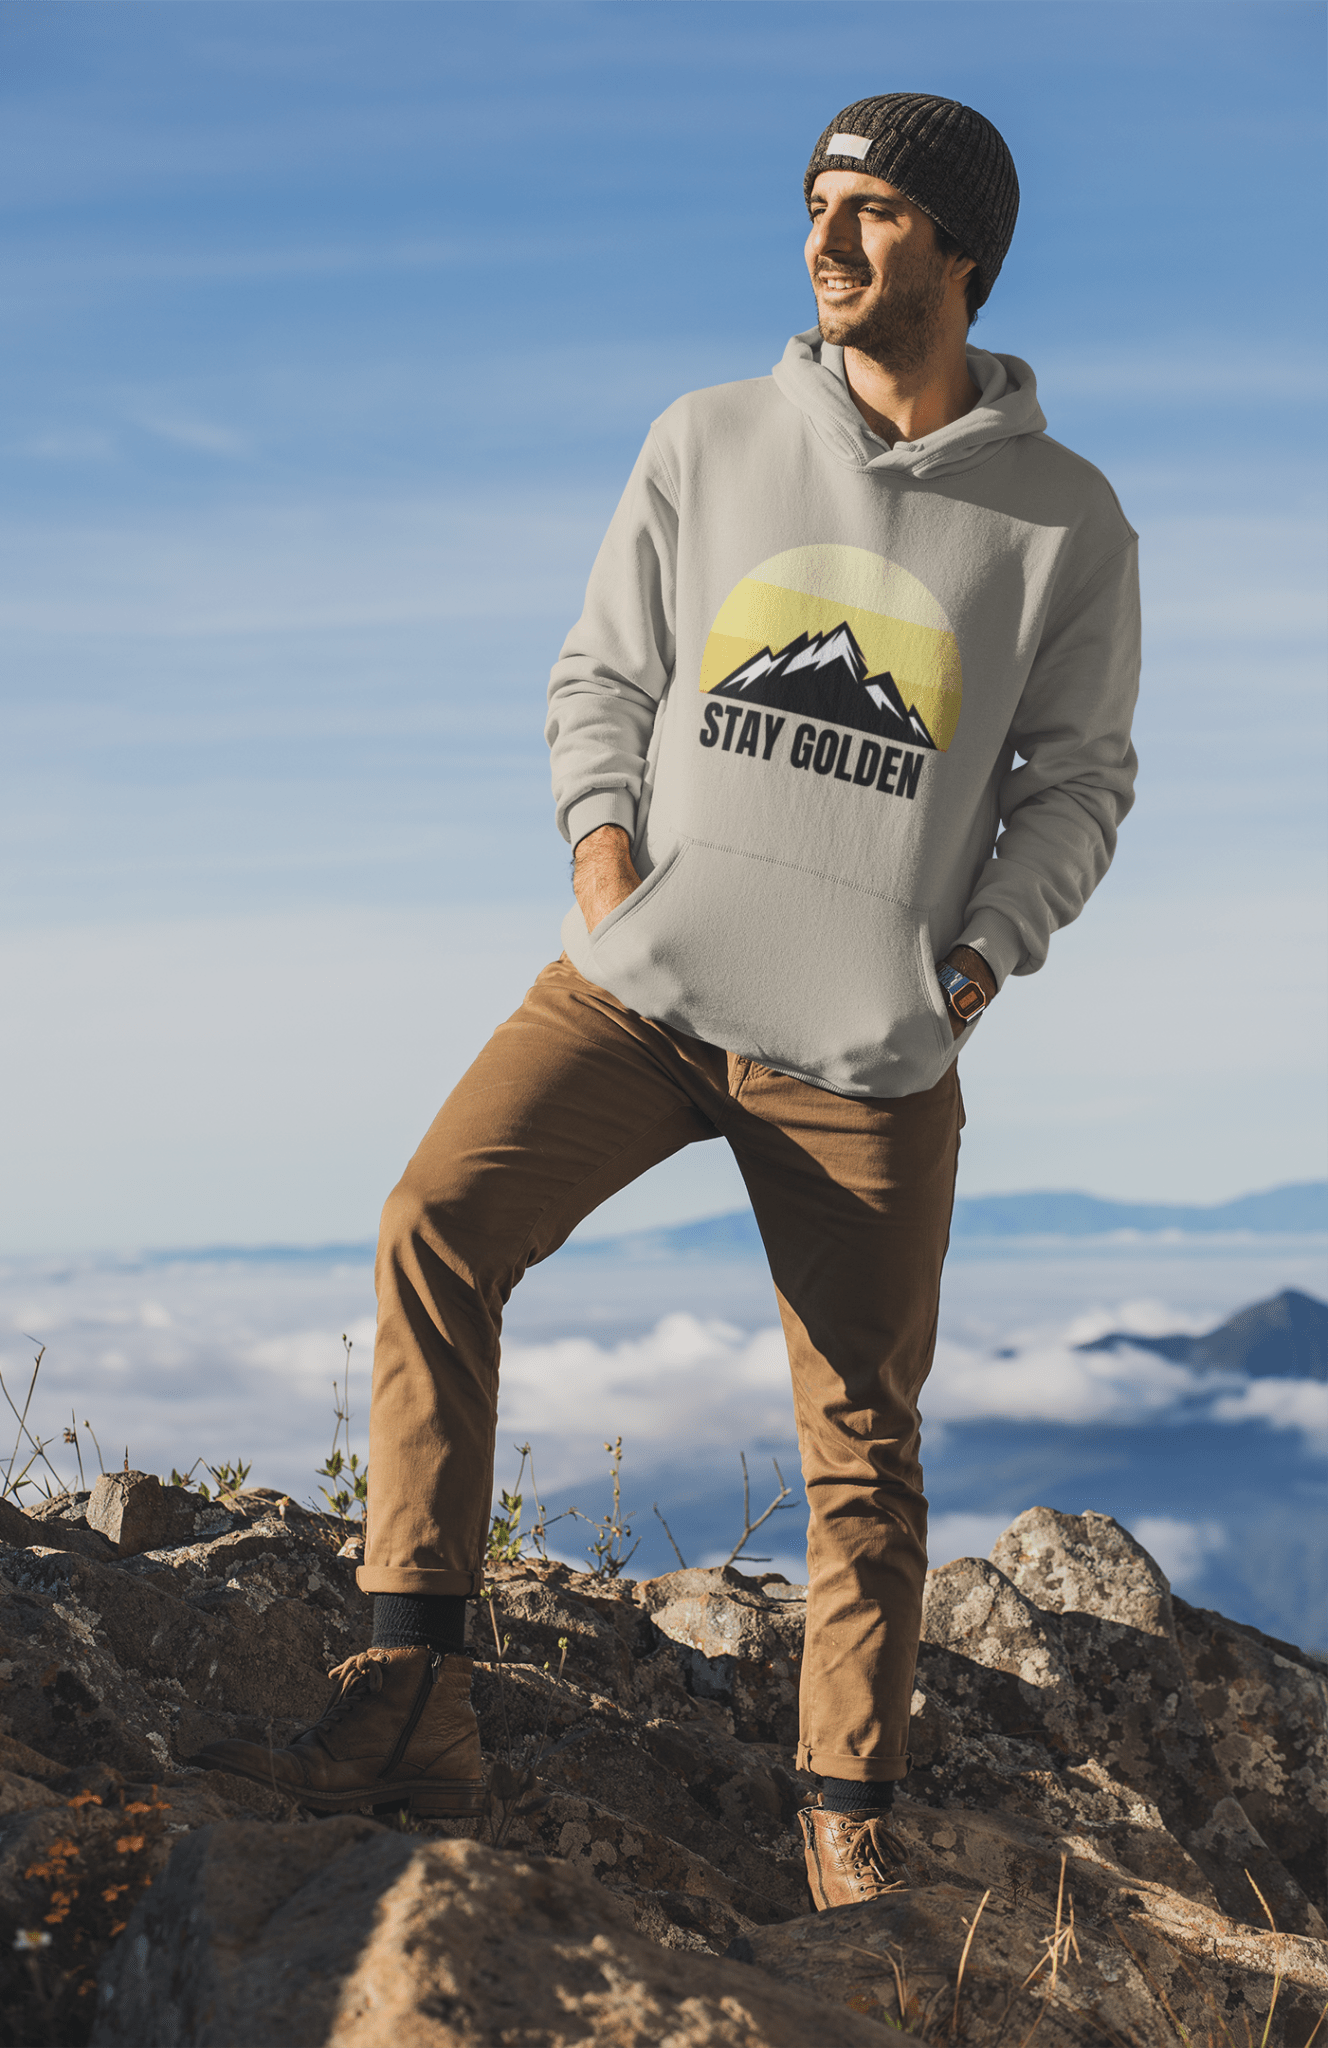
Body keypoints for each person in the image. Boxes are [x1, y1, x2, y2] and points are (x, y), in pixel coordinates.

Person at [202, 93, 1140, 1910]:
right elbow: (603, 677)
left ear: (964, 254)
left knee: (860, 1433)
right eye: (816, 204)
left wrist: (971, 961)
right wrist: (604, 864)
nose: (829, 239)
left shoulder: (1062, 518)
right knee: (434, 1227)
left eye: (874, 213)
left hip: (865, 1047)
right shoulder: (708, 439)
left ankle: (845, 1827)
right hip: (639, 993)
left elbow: (1079, 779)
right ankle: (413, 1693)